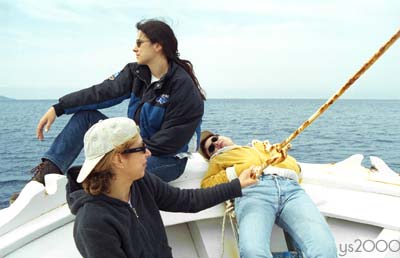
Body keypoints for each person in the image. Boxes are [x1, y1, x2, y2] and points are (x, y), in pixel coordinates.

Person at [31, 18, 205, 185]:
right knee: (85, 117)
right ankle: (47, 175)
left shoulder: (183, 87)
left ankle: (85, 184)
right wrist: (59, 107)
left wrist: (125, 152)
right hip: (133, 145)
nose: (134, 48)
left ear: (158, 45)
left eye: (139, 43)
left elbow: (169, 141)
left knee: (105, 174)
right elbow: (101, 93)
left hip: (166, 159)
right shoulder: (136, 73)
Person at [66, 117, 257, 258]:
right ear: (118, 159)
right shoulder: (92, 224)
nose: (148, 153)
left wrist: (237, 185)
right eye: (141, 148)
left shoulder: (140, 183)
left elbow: (187, 200)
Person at [199, 131, 338, 258]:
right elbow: (207, 185)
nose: (216, 143)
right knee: (252, 252)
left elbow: (296, 170)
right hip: (253, 192)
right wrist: (237, 171)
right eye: (211, 148)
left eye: (215, 138)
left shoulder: (262, 146)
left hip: (291, 190)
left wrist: (290, 164)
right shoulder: (219, 159)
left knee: (325, 249)